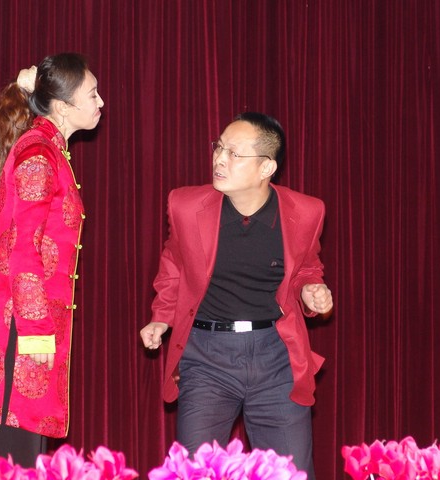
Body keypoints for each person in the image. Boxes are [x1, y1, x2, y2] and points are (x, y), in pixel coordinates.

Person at [140, 112, 332, 479]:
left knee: (290, 473)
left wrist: (311, 290)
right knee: (193, 472)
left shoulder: (307, 212)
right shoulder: (185, 206)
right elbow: (174, 263)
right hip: (207, 357)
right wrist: (161, 318)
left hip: (276, 356)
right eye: (219, 148)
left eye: (234, 153)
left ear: (266, 168)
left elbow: (307, 267)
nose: (219, 159)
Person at [0, 53, 104, 471]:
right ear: (62, 106)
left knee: (23, 462)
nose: (101, 102)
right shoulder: (39, 154)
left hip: (27, 326)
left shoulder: (49, 149)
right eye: (92, 94)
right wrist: (38, 332)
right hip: (19, 329)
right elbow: (23, 250)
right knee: (13, 462)